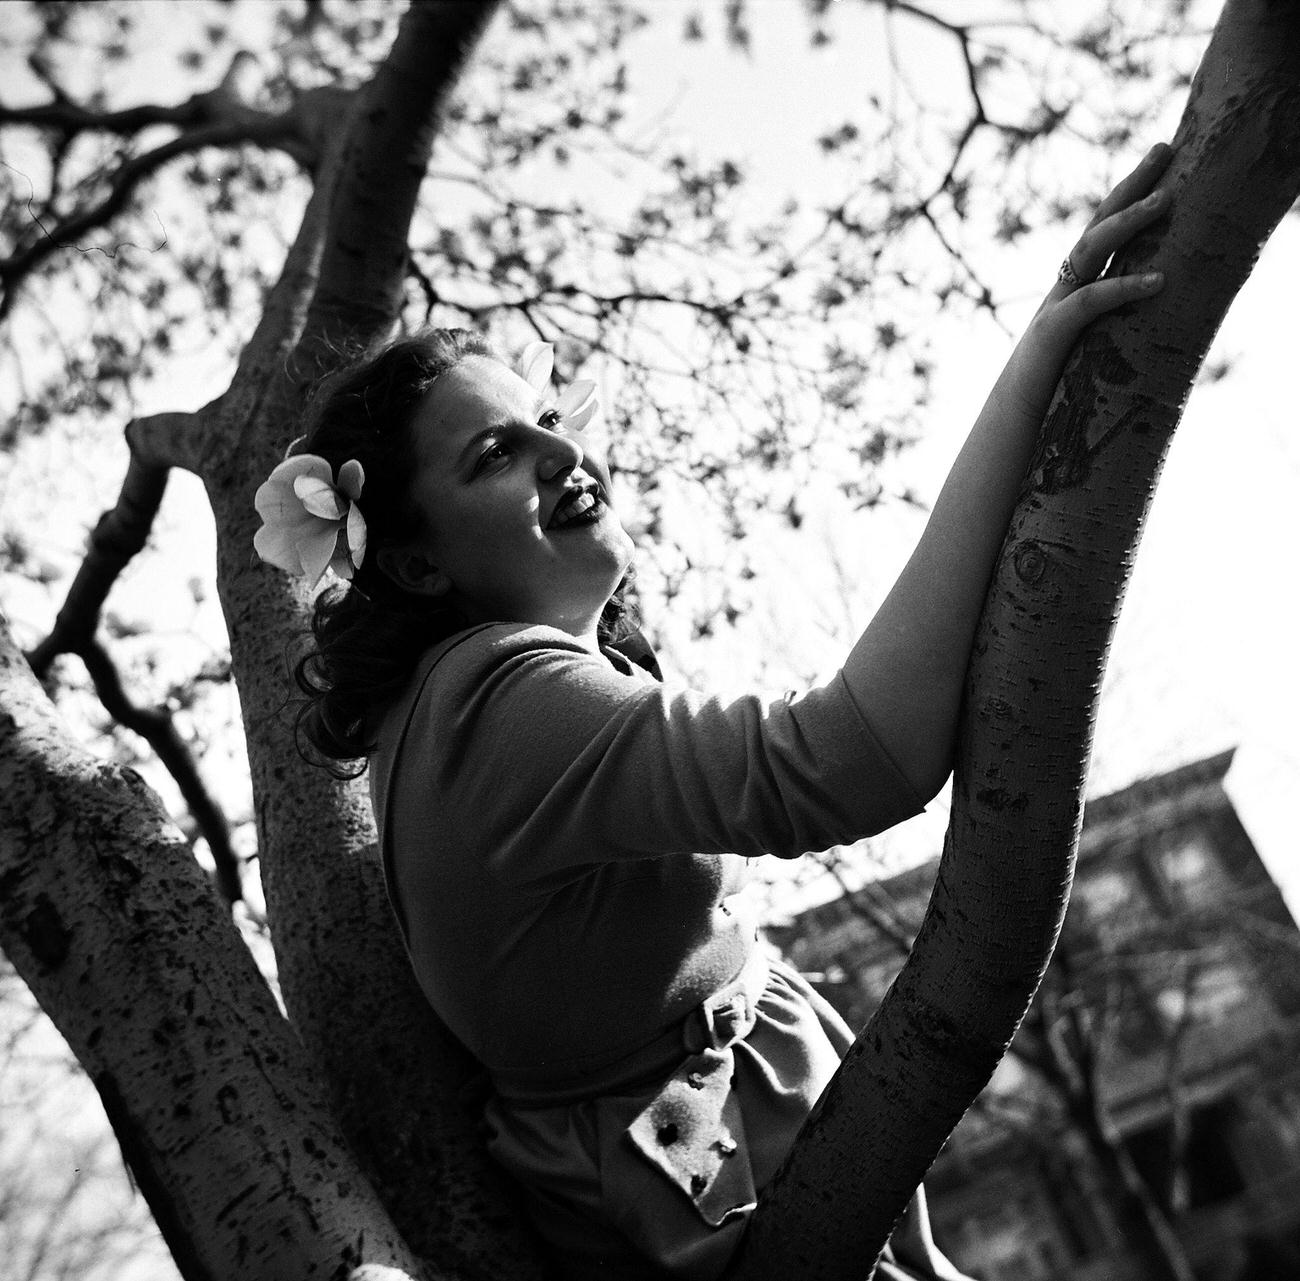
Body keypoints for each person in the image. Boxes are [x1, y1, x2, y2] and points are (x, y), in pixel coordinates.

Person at [254, 145, 1173, 1280]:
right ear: (416, 563)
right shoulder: (495, 708)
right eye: (499, 453)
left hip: (736, 1140)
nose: (563, 448)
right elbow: (849, 759)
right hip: (701, 1186)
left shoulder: (477, 706)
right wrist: (1033, 364)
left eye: (544, 416)